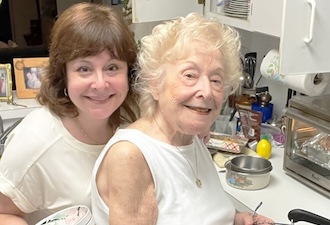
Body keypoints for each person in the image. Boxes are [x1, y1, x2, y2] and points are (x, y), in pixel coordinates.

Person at [91, 12, 275, 225]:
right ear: (155, 84)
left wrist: (235, 219)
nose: (206, 91)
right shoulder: (130, 157)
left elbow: (196, 210)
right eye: (190, 75)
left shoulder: (192, 138)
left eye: (216, 79)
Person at [0, 2, 139, 225]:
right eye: (84, 69)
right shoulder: (35, 144)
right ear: (63, 75)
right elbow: (3, 214)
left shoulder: (131, 120)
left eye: (112, 67)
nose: (100, 84)